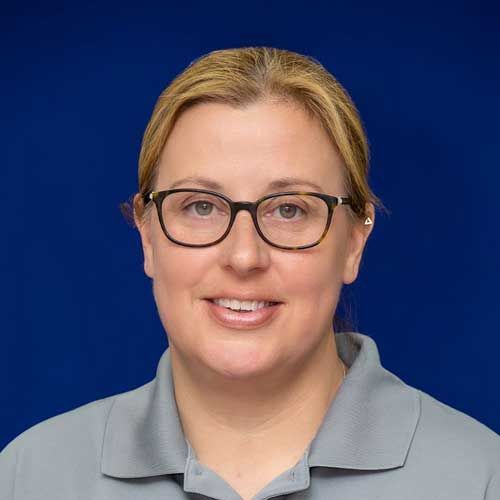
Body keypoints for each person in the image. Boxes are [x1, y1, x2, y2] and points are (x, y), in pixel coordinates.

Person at [1, 46, 499, 500]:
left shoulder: (481, 479)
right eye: (199, 206)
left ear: (354, 241)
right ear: (147, 236)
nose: (243, 257)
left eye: (288, 210)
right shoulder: (28, 477)